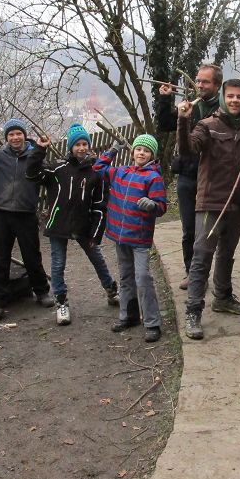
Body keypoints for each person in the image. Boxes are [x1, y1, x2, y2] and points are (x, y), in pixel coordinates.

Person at [176, 78, 240, 340]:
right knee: (202, 256)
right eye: (231, 96)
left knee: (227, 253)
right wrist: (183, 121)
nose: (235, 100)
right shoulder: (207, 125)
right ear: (224, 97)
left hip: (238, 205)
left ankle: (222, 297)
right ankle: (193, 311)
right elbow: (187, 150)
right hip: (211, 203)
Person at [25, 123, 119, 326]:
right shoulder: (57, 169)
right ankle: (61, 302)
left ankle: (111, 290)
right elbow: (31, 174)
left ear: (89, 146)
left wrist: (96, 233)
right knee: (58, 264)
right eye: (77, 144)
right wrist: (39, 149)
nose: (81, 148)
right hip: (59, 225)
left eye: (85, 144)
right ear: (71, 147)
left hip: (84, 226)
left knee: (97, 259)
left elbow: (99, 205)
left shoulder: (95, 172)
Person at [0, 118, 54, 312]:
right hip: (2, 214)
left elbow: (45, 171)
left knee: (32, 256)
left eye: (18, 133)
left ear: (24, 135)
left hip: (26, 213)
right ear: (6, 138)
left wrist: (40, 149)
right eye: (11, 134)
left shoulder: (34, 156)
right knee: (1, 258)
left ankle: (41, 292)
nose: (15, 137)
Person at [93, 134, 168, 343]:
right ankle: (129, 316)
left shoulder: (153, 178)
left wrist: (153, 205)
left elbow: (162, 207)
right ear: (132, 151)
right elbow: (97, 169)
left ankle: (152, 323)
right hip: (120, 235)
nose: (141, 153)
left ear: (152, 155)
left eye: (146, 150)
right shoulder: (120, 172)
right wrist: (111, 151)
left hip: (139, 237)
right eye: (138, 149)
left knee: (142, 278)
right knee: (126, 276)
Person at [157, 63, 223, 290]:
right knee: (189, 230)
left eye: (205, 81)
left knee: (207, 231)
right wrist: (166, 99)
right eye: (198, 80)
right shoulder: (191, 106)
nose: (199, 85)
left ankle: (206, 274)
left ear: (217, 85)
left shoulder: (222, 110)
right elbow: (165, 124)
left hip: (212, 178)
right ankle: (192, 274)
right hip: (187, 176)